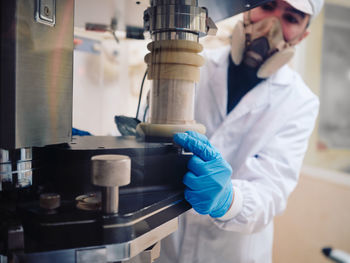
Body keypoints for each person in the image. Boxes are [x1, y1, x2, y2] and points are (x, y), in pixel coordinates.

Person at [156, 0, 324, 262]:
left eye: (291, 18)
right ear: (245, 9)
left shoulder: (300, 101)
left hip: (232, 252)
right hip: (168, 245)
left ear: (303, 35)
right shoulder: (194, 65)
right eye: (266, 5)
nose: (271, 25)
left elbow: (272, 190)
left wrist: (229, 200)